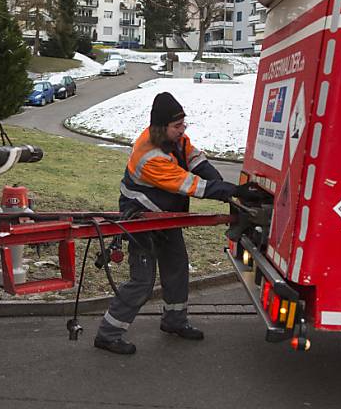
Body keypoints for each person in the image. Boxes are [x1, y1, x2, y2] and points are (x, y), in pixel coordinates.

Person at [94, 92, 259, 355]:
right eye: (177, 126)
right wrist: (232, 190)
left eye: (184, 124)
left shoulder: (175, 139)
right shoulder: (150, 157)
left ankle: (174, 321)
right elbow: (193, 185)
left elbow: (197, 161)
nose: (182, 131)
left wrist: (227, 190)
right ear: (161, 127)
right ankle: (108, 333)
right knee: (143, 281)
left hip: (165, 215)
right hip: (141, 219)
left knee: (177, 266)